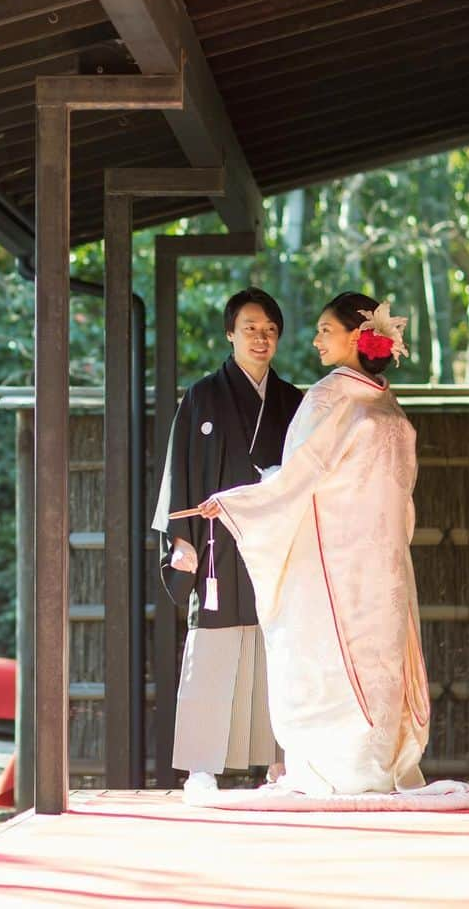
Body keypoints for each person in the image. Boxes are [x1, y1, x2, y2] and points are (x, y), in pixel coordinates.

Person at [195, 292, 430, 796]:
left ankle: (357, 764)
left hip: (353, 559)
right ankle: (363, 765)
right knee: (361, 655)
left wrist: (242, 502)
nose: (317, 338)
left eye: (326, 329)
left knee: (356, 655)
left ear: (355, 337)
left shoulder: (336, 396)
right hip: (362, 557)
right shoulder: (370, 398)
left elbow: (297, 477)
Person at [152, 288, 303, 792]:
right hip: (218, 544)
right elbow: (181, 470)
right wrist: (181, 538)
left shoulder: (293, 401)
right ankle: (201, 766)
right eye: (251, 328)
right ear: (230, 334)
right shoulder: (202, 396)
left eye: (270, 330)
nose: (261, 338)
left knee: (276, 650)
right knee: (213, 648)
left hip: (275, 545)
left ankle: (279, 763)